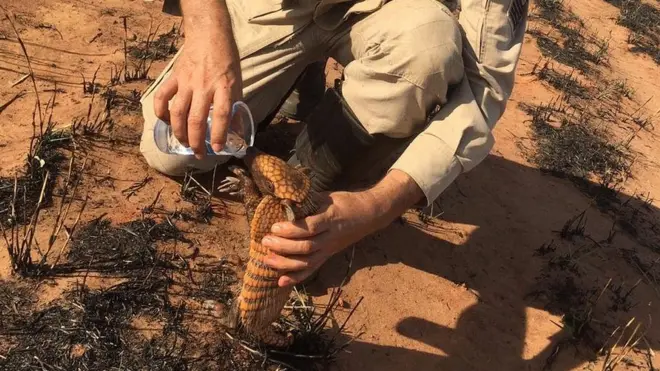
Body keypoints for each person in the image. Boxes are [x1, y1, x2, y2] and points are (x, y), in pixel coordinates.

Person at [139, 0, 529, 287]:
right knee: (172, 149)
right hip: (275, 6)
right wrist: (208, 34)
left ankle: (315, 181)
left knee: (426, 51)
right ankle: (301, 76)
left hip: (386, 12)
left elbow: (484, 86)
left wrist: (375, 207)